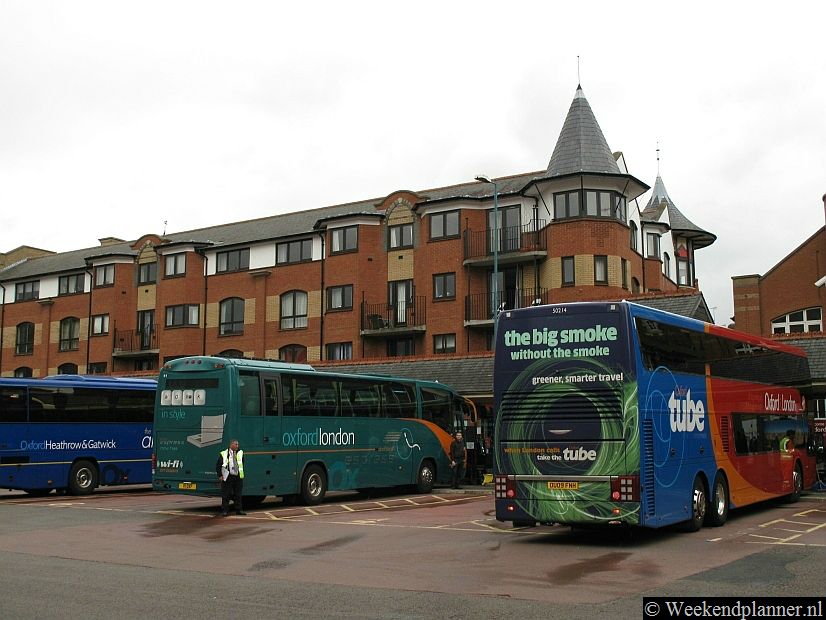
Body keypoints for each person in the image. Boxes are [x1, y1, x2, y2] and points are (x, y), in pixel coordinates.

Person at [216, 438, 246, 516]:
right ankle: (224, 510)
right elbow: (218, 465)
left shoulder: (240, 452)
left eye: (238, 444)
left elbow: (242, 463)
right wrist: (220, 475)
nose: (237, 446)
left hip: (238, 477)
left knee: (238, 494)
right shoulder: (224, 453)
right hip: (228, 477)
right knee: (226, 495)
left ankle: (239, 510)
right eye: (236, 444)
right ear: (231, 445)